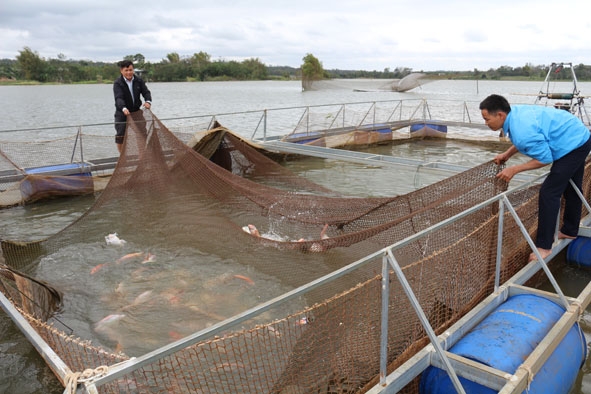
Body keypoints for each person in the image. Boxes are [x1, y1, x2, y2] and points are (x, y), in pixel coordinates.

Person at [479, 94, 591, 262]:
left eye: (487, 119)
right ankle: (570, 230)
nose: (486, 123)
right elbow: (531, 138)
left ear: (500, 115)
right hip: (576, 134)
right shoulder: (515, 114)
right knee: (571, 184)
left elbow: (545, 158)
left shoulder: (521, 131)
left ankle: (544, 247)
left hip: (574, 144)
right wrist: (507, 154)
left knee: (548, 192)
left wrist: (515, 169)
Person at [113, 60, 152, 153]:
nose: (129, 72)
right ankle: (122, 158)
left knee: (142, 134)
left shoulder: (139, 80)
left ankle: (142, 158)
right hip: (122, 113)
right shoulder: (118, 83)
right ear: (121, 71)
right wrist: (123, 108)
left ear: (133, 70)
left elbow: (146, 92)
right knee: (120, 136)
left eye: (130, 70)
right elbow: (118, 98)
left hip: (136, 112)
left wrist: (148, 101)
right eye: (126, 70)